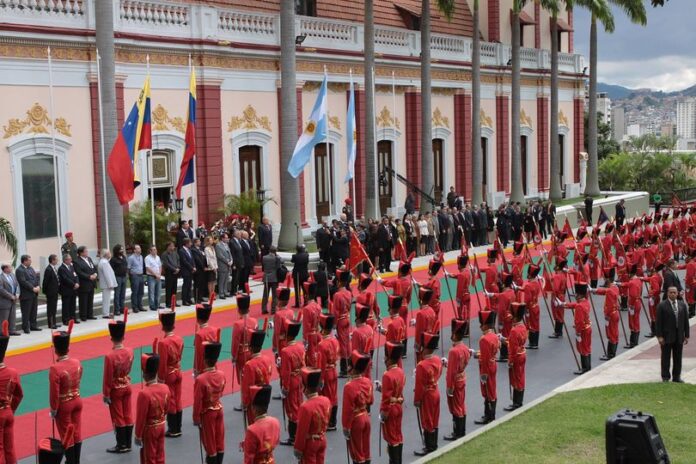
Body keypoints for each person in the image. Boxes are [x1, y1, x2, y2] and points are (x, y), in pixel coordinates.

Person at [50, 323, 83, 463]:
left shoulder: (55, 368)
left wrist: (53, 409)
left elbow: (54, 392)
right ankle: (76, 460)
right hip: (77, 399)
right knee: (76, 431)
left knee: (66, 433)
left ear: (56, 350)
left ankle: (71, 461)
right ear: (68, 348)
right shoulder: (77, 362)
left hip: (64, 404)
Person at [103, 311, 134, 454]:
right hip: (127, 385)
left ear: (111, 338)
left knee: (118, 416)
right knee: (128, 413)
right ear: (124, 336)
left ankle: (121, 444)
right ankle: (128, 442)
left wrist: (106, 393)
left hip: (116, 388)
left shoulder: (110, 356)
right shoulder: (130, 351)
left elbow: (108, 377)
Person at [193, 341, 226, 464]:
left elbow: (197, 401)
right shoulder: (222, 374)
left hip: (207, 413)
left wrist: (196, 418)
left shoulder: (201, 379)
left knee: (210, 442)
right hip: (219, 408)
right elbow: (221, 391)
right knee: (219, 439)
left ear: (205, 360)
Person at [135, 352, 170, 464]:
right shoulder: (165, 388)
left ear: (144, 374)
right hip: (161, 425)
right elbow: (166, 409)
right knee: (160, 456)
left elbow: (141, 417)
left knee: (149, 458)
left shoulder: (144, 393)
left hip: (149, 429)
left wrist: (138, 435)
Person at [293, 368, 331, 463]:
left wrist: (298, 448)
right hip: (322, 439)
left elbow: (301, 431)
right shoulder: (326, 401)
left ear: (306, 387)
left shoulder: (305, 407)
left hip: (311, 443)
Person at [413, 332, 442, 456]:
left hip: (427, 396)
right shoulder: (437, 360)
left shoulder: (421, 365)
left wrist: (417, 400)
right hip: (435, 391)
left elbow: (419, 386)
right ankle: (433, 444)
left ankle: (429, 447)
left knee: (427, 420)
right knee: (434, 419)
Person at [156, 310, 184, 438]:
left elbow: (162, 363)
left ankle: (173, 428)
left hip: (169, 373)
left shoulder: (163, 343)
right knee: (178, 398)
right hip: (178, 370)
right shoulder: (179, 338)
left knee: (171, 400)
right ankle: (178, 425)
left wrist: (160, 378)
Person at [342, 351, 373, 463]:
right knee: (366, 451)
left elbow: (347, 410)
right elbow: (371, 401)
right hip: (365, 417)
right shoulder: (367, 381)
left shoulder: (349, 386)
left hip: (356, 421)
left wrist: (346, 427)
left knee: (357, 454)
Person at [377, 342, 405, 464]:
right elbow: (394, 391)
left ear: (389, 358)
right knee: (398, 435)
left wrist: (383, 414)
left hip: (391, 410)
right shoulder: (400, 371)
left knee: (392, 438)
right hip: (398, 406)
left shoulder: (387, 375)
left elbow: (386, 399)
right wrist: (381, 388)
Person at [443, 320, 471, 441]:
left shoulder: (453, 351)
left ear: (455, 334)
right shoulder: (464, 347)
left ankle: (457, 432)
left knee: (456, 407)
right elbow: (457, 366)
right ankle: (462, 429)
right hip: (462, 378)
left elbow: (451, 373)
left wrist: (449, 387)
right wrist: (448, 364)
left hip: (455, 382)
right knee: (461, 404)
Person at [655, 286, 690, 382]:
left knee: (678, 358)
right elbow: (658, 323)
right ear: (667, 293)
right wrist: (659, 336)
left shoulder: (682, 305)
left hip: (679, 336)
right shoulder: (661, 306)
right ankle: (665, 377)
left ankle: (676, 377)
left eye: (674, 292)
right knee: (665, 358)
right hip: (666, 337)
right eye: (671, 292)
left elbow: (686, 322)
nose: (673, 294)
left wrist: (686, 335)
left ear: (677, 293)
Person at [279, 321, 305, 446]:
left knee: (291, 408)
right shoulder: (300, 347)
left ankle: (293, 436)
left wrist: (285, 388)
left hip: (292, 381)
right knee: (299, 404)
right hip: (299, 378)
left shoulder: (285, 351)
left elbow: (286, 372)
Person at [0, 320, 23, 463]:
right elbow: (19, 395)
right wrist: (10, 408)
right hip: (8, 412)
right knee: (9, 448)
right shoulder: (12, 373)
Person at [241, 329, 272, 424]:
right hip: (265, 396)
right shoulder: (267, 359)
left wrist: (244, 403)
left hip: (254, 400)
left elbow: (248, 387)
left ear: (251, 348)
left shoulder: (249, 365)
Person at [243, 384, 280, 464]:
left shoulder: (252, 430)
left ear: (254, 409)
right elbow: (275, 441)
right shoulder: (275, 421)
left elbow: (249, 459)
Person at [474, 310, 499, 425]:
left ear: (486, 325)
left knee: (487, 391)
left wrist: (483, 374)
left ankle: (489, 416)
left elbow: (484, 359)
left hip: (486, 368)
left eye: (482, 324)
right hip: (493, 364)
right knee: (492, 389)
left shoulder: (484, 339)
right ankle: (490, 414)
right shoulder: (494, 335)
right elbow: (489, 353)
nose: (480, 326)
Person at [317, 314, 339, 430]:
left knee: (326, 397)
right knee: (334, 396)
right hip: (334, 370)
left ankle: (328, 420)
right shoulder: (334, 340)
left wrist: (320, 380)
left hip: (326, 373)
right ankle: (333, 420)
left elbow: (321, 364)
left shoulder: (321, 345)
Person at [564, 283, 593, 375]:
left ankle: (585, 368)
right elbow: (575, 305)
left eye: (576, 294)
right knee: (587, 348)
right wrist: (564, 304)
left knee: (583, 349)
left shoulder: (579, 306)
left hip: (583, 330)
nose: (575, 295)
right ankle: (588, 366)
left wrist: (578, 333)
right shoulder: (586, 302)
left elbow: (579, 322)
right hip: (588, 328)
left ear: (580, 294)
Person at [16, 254, 41, 333]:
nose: (31, 261)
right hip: (26, 295)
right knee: (26, 312)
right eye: (29, 260)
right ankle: (26, 327)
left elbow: (36, 278)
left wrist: (38, 286)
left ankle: (33, 326)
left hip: (34, 294)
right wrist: (32, 288)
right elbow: (23, 282)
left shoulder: (31, 268)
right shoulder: (19, 270)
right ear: (25, 261)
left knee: (34, 311)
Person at [193, 304, 218, 377]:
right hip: (213, 364)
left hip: (203, 367)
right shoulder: (215, 330)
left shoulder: (199, 334)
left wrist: (196, 369)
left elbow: (198, 354)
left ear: (198, 319)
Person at [74, 246, 97, 321]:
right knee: (83, 301)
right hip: (84, 283)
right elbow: (79, 272)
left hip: (91, 283)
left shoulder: (89, 259)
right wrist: (89, 276)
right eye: (86, 251)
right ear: (81, 253)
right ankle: (83, 316)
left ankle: (90, 314)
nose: (87, 252)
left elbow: (93, 267)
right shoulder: (77, 261)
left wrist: (95, 274)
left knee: (90, 299)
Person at [58, 255, 79, 326]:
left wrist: (77, 283)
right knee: (66, 306)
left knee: (73, 305)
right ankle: (66, 320)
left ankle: (73, 318)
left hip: (73, 290)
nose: (71, 261)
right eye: (69, 259)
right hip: (66, 290)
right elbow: (65, 279)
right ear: (65, 260)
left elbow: (75, 275)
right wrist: (73, 284)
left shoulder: (71, 266)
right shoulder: (61, 268)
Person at [261, 246, 282, 314]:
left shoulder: (264, 257)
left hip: (266, 277)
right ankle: (273, 309)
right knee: (274, 295)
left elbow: (263, 267)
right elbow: (278, 267)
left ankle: (264, 309)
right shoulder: (277, 258)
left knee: (265, 295)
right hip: (274, 278)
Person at [42, 254, 61, 329]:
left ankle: (54, 323)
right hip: (51, 293)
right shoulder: (48, 269)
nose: (57, 261)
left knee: (54, 308)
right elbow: (45, 282)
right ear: (52, 260)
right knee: (51, 309)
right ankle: (51, 324)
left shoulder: (53, 268)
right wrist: (46, 292)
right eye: (56, 259)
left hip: (55, 292)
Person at [98, 249, 117, 319]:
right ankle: (105, 314)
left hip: (106, 284)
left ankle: (106, 313)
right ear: (106, 254)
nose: (110, 254)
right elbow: (107, 275)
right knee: (106, 299)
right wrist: (110, 284)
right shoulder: (104, 262)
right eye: (109, 253)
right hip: (106, 284)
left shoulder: (104, 261)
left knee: (107, 299)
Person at [0, 265, 19, 336]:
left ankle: (12, 330)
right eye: (10, 267)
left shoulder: (12, 275)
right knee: (4, 318)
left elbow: (17, 285)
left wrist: (17, 294)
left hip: (13, 300)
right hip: (4, 301)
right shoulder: (1, 277)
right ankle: (3, 332)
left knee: (12, 316)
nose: (11, 268)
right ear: (5, 269)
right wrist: (10, 296)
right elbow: (1, 289)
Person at [110, 245, 128, 316]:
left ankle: (122, 308)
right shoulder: (113, 259)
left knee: (123, 294)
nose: (122, 250)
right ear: (117, 250)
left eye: (122, 249)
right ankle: (116, 310)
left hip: (124, 277)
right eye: (121, 249)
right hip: (117, 277)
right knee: (117, 294)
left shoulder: (123, 257)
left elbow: (126, 265)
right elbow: (111, 269)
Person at [177, 238, 196, 306]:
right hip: (186, 270)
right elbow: (184, 261)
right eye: (190, 242)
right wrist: (191, 267)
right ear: (186, 243)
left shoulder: (189, 250)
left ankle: (189, 298)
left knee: (189, 285)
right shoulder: (181, 251)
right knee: (185, 285)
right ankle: (184, 300)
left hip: (191, 270)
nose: (191, 244)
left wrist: (194, 266)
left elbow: (192, 259)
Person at [214, 233, 232, 300]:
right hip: (222, 264)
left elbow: (229, 253)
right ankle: (221, 293)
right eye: (226, 238)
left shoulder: (226, 245)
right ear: (222, 238)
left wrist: (231, 260)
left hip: (228, 265)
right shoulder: (218, 245)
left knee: (226, 279)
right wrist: (227, 261)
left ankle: (225, 291)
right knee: (221, 280)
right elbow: (220, 256)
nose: (227, 239)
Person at [145, 245, 163, 312]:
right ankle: (152, 305)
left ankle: (157, 304)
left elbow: (160, 266)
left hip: (158, 276)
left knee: (158, 291)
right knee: (151, 292)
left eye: (156, 249)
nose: (155, 251)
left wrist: (159, 274)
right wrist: (155, 274)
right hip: (151, 276)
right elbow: (148, 268)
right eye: (154, 249)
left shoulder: (158, 257)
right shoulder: (147, 258)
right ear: (150, 251)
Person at [127, 245, 145, 313]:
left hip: (141, 275)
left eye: (140, 248)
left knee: (141, 292)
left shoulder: (141, 256)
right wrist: (131, 277)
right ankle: (135, 307)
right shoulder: (131, 258)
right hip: (134, 276)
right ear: (134, 250)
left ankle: (140, 306)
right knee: (135, 292)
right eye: (138, 248)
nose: (140, 249)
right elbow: (128, 268)